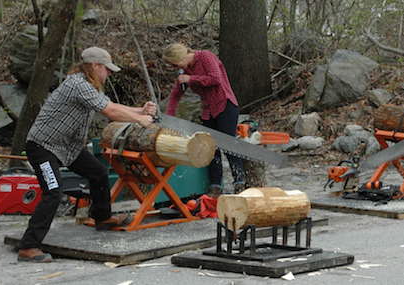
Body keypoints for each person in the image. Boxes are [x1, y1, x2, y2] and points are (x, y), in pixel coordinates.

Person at [17, 47, 157, 263]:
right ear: (95, 66)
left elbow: (110, 105)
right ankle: (28, 246)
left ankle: (102, 217)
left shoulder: (89, 85)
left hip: (66, 147)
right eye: (107, 69)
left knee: (98, 173)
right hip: (43, 146)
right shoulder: (78, 84)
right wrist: (139, 120)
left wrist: (140, 110)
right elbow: (110, 112)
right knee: (53, 192)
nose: (109, 74)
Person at [162, 43, 245, 195]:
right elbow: (175, 95)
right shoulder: (184, 70)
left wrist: (190, 79)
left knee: (229, 145)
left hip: (225, 105)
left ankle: (240, 181)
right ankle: (215, 185)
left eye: (175, 64)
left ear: (181, 57)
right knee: (210, 148)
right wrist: (169, 116)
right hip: (208, 110)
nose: (175, 67)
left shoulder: (205, 56)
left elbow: (215, 79)